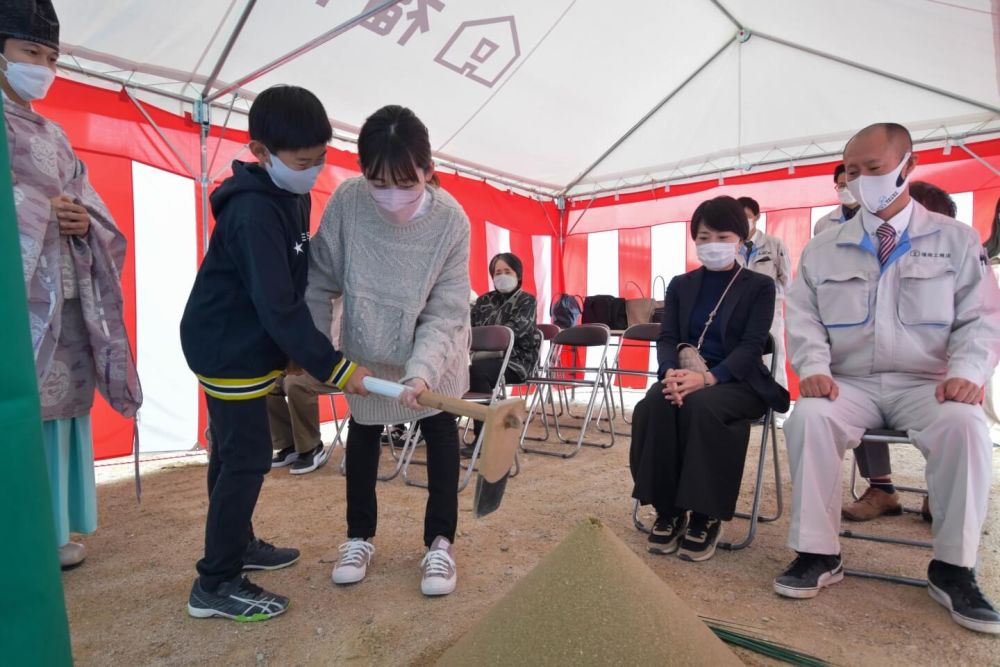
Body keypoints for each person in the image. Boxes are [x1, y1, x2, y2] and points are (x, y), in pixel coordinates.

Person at [776, 123, 1000, 634]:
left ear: (907, 166)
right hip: (849, 383)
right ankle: (817, 553)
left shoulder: (957, 242)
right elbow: (803, 317)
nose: (862, 180)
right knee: (808, 418)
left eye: (874, 168)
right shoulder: (824, 247)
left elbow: (982, 317)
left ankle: (953, 569)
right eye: (853, 171)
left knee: (966, 428)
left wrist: (967, 372)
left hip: (929, 383)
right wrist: (812, 369)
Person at [180, 85, 370, 622]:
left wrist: (292, 353)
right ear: (261, 152)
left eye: (321, 159)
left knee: (234, 452)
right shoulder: (250, 213)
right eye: (303, 161)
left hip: (249, 341)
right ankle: (215, 582)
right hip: (226, 345)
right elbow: (276, 304)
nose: (313, 171)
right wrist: (335, 365)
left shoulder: (293, 195)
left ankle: (237, 545)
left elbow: (293, 277)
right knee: (246, 457)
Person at [306, 105, 471, 597]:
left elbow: (446, 310)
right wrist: (320, 354)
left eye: (405, 182)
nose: (390, 194)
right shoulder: (348, 202)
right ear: (362, 174)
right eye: (379, 182)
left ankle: (439, 543)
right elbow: (319, 281)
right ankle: (358, 537)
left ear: (428, 171)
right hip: (366, 354)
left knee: (440, 436)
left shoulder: (451, 221)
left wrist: (421, 374)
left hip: (433, 359)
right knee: (363, 436)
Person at [3, 1, 141, 570]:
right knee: (15, 416)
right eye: (30, 52)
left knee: (58, 416)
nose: (43, 65)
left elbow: (90, 204)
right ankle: (15, 536)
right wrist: (37, 210)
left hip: (63, 294)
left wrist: (84, 220)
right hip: (14, 305)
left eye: (51, 57)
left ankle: (53, 529)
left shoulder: (55, 135)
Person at [629, 196, 789, 563]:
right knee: (654, 404)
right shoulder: (681, 285)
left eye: (722, 235)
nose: (712, 243)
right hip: (684, 375)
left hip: (737, 381)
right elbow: (668, 337)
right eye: (703, 236)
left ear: (741, 238)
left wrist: (711, 378)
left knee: (701, 408)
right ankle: (668, 509)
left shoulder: (758, 287)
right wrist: (669, 373)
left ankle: (705, 515)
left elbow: (752, 347)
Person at [842, 180, 959, 523]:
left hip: (932, 378)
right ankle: (881, 489)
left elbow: (977, 329)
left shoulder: (960, 262)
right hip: (874, 375)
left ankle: (940, 492)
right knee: (853, 383)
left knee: (957, 409)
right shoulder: (860, 258)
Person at [466, 252, 542, 455]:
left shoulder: (527, 301)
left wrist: (486, 338)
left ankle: (485, 438)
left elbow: (512, 333)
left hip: (517, 361)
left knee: (477, 373)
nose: (502, 275)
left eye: (507, 271)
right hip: (482, 359)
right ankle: (437, 429)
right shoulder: (483, 301)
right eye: (497, 272)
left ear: (518, 274)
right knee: (454, 372)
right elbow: (468, 330)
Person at [268, 302, 344, 475]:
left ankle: (311, 448)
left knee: (295, 383)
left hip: (341, 365)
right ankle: (288, 445)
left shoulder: (347, 288)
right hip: (311, 359)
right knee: (268, 381)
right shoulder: (307, 287)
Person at [736, 196, 792, 397]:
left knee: (773, 358)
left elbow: (787, 281)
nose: (742, 221)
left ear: (757, 217)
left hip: (770, 313)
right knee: (743, 358)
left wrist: (768, 297)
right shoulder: (732, 246)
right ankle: (750, 405)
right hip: (739, 313)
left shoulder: (774, 244)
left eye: (746, 216)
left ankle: (777, 410)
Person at [814, 163, 862, 236]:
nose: (846, 189)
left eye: (850, 184)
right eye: (842, 185)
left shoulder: (876, 218)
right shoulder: (822, 224)